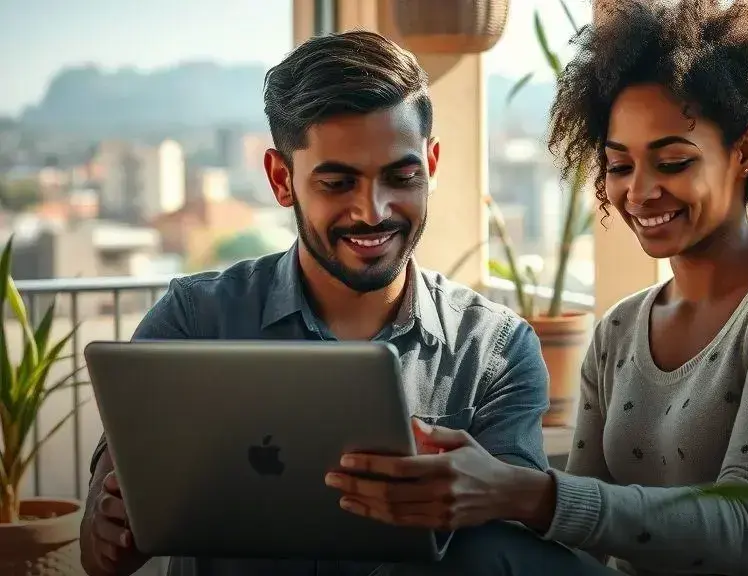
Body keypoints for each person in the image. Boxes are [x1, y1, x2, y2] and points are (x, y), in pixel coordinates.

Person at [334, 1, 748, 574]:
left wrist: (519, 492)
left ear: (744, 152)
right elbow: (582, 546)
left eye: (673, 162)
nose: (639, 193)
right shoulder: (620, 328)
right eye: (619, 166)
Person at [79, 30, 616, 576]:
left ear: (431, 165)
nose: (372, 211)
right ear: (281, 179)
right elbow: (103, 537)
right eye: (337, 183)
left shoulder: (495, 351)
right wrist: (107, 532)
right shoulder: (193, 321)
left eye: (401, 177)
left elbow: (509, 554)